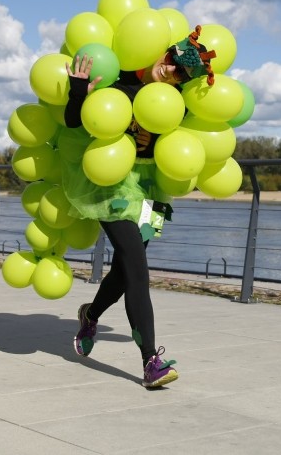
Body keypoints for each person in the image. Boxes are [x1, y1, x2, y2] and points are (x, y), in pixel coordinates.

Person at [62, 26, 215, 388]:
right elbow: (74, 121)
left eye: (182, 73)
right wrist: (78, 91)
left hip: (153, 191)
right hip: (112, 187)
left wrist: (153, 139)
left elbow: (175, 142)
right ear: (163, 52)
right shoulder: (118, 79)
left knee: (126, 270)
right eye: (172, 60)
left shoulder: (173, 101)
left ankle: (91, 314)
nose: (171, 71)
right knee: (139, 271)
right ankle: (151, 363)